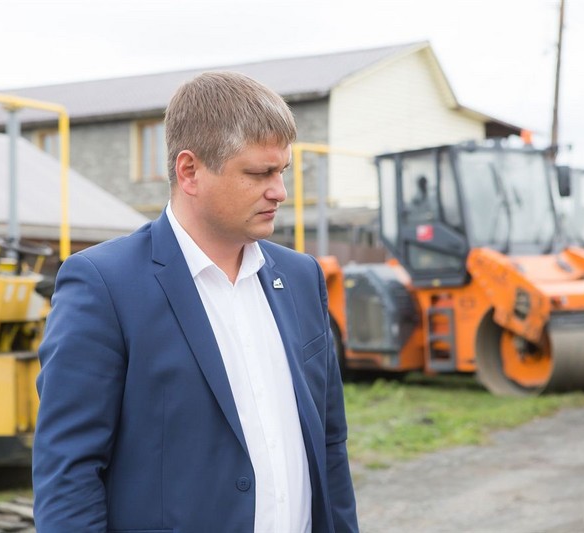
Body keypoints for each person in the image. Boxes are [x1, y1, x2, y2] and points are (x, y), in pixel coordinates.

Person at [32, 71, 359, 532]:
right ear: (189, 171)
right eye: (258, 173)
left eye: (282, 171)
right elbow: (68, 474)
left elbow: (329, 444)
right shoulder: (104, 286)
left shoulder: (301, 278)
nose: (280, 192)